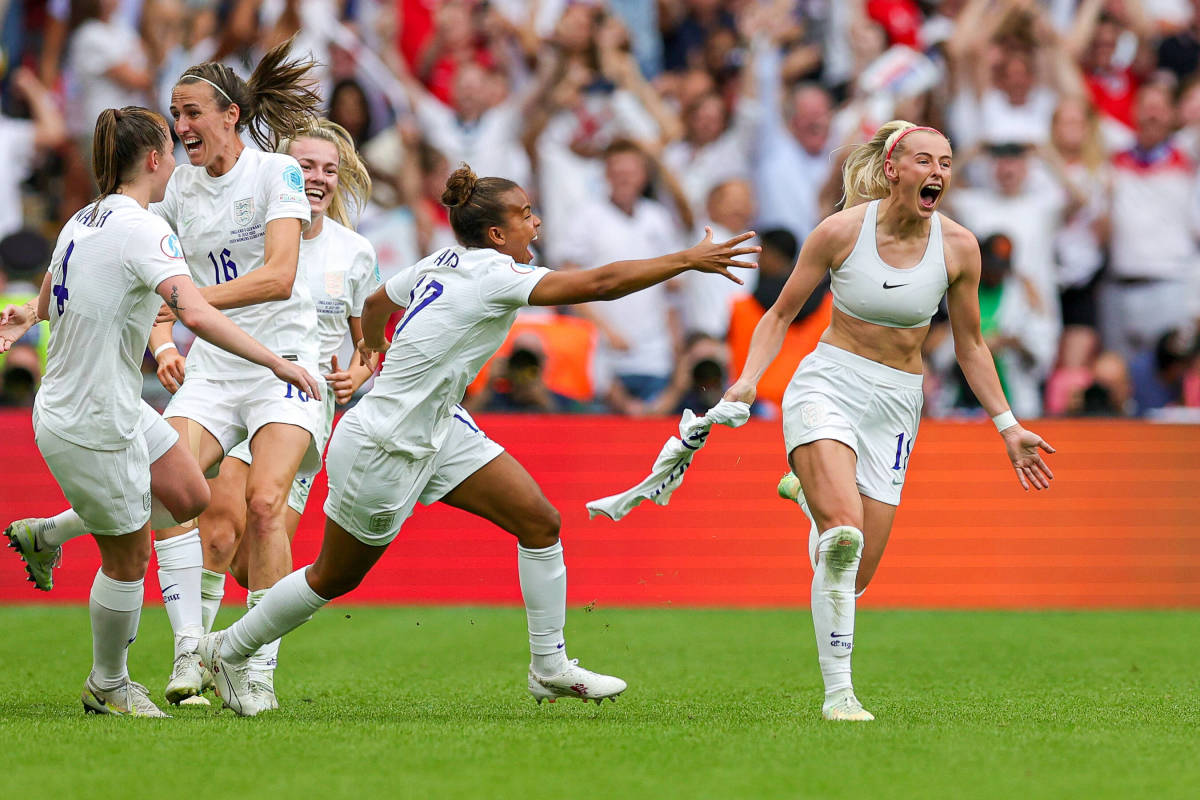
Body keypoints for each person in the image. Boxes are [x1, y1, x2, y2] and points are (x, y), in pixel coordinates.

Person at [198, 163, 759, 716]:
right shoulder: (493, 273)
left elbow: (375, 305)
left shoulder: (443, 260)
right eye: (525, 215)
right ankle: (225, 649)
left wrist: (369, 352)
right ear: (496, 234)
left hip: (439, 427)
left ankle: (549, 666)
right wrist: (687, 259)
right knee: (334, 575)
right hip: (384, 445)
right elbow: (601, 284)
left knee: (539, 521)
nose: (535, 224)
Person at [723, 121, 1055, 722]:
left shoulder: (959, 247)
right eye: (925, 161)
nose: (937, 173)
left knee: (856, 572)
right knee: (843, 539)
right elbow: (778, 315)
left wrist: (1008, 426)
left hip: (899, 402)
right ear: (893, 170)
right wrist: (747, 381)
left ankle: (812, 497)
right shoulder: (840, 232)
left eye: (947, 164)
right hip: (829, 383)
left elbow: (972, 346)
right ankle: (839, 695)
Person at [2, 106, 318, 716]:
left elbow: (49, 291)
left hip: (101, 402)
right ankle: (109, 685)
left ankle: (53, 536)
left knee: (186, 493)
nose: (176, 161)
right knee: (129, 559)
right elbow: (195, 313)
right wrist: (278, 364)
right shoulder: (145, 230)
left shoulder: (81, 219)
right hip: (93, 421)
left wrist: (26, 314)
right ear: (153, 161)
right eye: (169, 150)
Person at [159, 119, 379, 709]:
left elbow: (369, 341)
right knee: (217, 527)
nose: (317, 178)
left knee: (261, 531)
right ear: (282, 171)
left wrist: (358, 373)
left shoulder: (354, 253)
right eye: (307, 166)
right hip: (233, 379)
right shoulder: (248, 224)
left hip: (300, 394)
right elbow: (179, 283)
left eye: (329, 169)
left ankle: (248, 659)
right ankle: (200, 662)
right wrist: (165, 337)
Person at [143, 37, 325, 705]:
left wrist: (184, 304)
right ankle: (192, 649)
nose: (181, 126)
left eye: (192, 112)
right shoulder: (178, 187)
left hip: (285, 361)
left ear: (231, 115)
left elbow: (279, 278)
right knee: (170, 490)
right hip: (215, 366)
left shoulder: (276, 173)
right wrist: (164, 334)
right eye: (174, 114)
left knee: (265, 506)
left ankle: (255, 671)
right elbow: (153, 270)